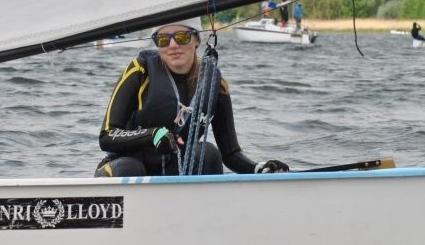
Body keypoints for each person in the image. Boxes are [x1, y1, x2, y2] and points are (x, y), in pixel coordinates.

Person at [95, 18, 290, 177]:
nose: (173, 45)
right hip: (123, 167)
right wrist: (152, 135)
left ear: (197, 40)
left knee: (207, 153)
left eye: (181, 37)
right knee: (131, 168)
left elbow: (230, 154)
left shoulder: (215, 83)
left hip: (172, 171)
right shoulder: (140, 70)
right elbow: (107, 136)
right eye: (163, 40)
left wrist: (260, 169)